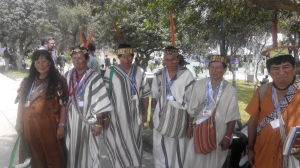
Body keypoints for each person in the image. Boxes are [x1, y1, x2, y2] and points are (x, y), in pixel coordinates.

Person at [246, 46, 300, 168]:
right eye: (275, 68)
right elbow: (253, 121)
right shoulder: (262, 91)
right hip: (264, 154)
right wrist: (250, 148)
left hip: (295, 156)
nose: (281, 72)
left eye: (286, 67)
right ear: (269, 72)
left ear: (294, 68)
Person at [184, 55, 240, 168]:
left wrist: (227, 137)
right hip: (198, 129)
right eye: (212, 67)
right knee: (193, 159)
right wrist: (189, 126)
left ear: (224, 70)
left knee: (213, 162)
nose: (214, 70)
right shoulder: (199, 85)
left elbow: (233, 116)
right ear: (208, 68)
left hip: (218, 132)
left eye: (218, 67)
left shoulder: (230, 90)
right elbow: (192, 108)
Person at [15, 50, 69, 168]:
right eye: (38, 62)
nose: (41, 65)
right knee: (35, 157)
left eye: (44, 61)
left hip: (50, 128)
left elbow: (64, 105)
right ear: (34, 64)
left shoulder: (58, 81)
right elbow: (21, 104)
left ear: (50, 62)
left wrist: (61, 125)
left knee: (54, 157)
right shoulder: (27, 82)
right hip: (29, 127)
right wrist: (18, 122)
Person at [104, 44, 150, 168]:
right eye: (123, 57)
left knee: (135, 143)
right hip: (116, 117)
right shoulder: (110, 72)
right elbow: (105, 96)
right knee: (118, 144)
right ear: (119, 57)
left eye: (129, 56)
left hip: (136, 116)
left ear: (133, 56)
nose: (127, 59)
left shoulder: (140, 71)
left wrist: (146, 113)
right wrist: (104, 116)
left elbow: (145, 94)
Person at [65, 46, 112, 168]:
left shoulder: (94, 76)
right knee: (71, 149)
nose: (77, 61)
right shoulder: (68, 75)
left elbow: (101, 101)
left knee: (89, 152)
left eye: (80, 58)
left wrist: (99, 124)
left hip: (89, 120)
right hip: (70, 121)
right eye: (74, 58)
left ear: (86, 59)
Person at [151, 46, 195, 168]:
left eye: (173, 59)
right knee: (159, 150)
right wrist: (151, 116)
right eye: (167, 59)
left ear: (178, 59)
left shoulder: (187, 75)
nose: (170, 63)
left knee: (178, 151)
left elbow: (191, 102)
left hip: (179, 120)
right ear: (163, 60)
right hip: (160, 119)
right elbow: (155, 98)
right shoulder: (159, 75)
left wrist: (190, 125)